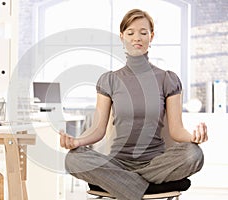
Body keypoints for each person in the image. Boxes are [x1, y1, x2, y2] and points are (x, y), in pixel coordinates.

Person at [59, 8, 208, 200]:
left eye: (143, 33)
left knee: (194, 154)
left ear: (151, 37)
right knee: (73, 158)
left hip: (156, 164)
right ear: (122, 37)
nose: (137, 37)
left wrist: (194, 138)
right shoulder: (109, 80)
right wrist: (77, 142)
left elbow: (177, 131)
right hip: (117, 163)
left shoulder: (167, 79)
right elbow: (97, 129)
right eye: (130, 33)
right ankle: (144, 188)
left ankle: (124, 186)